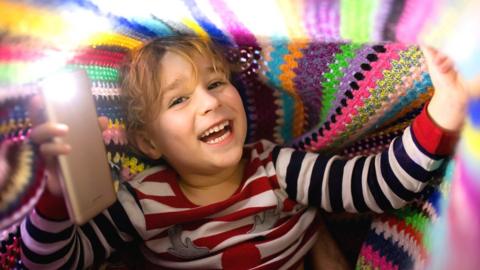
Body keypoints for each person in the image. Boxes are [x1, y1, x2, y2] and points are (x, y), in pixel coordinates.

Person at [20, 36, 470, 269]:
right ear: (150, 143)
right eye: (178, 100)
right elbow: (54, 262)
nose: (210, 101)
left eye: (216, 83)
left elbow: (376, 187)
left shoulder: (278, 167)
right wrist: (56, 194)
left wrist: (444, 109)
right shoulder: (141, 202)